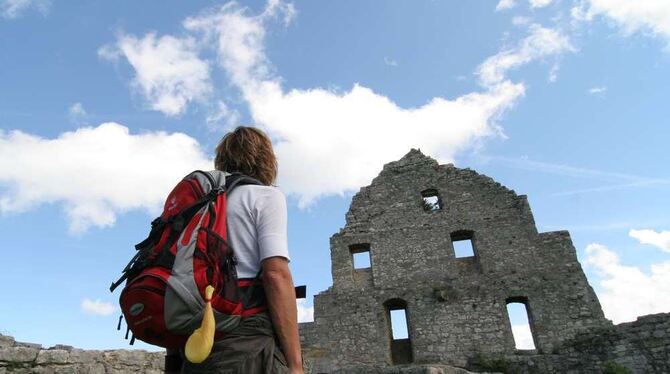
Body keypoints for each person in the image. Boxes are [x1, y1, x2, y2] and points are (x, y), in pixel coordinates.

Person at [165, 126, 303, 374]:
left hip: (195, 343)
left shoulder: (199, 205)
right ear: (266, 160)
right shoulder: (265, 196)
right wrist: (295, 365)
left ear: (223, 160)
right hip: (247, 337)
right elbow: (276, 274)